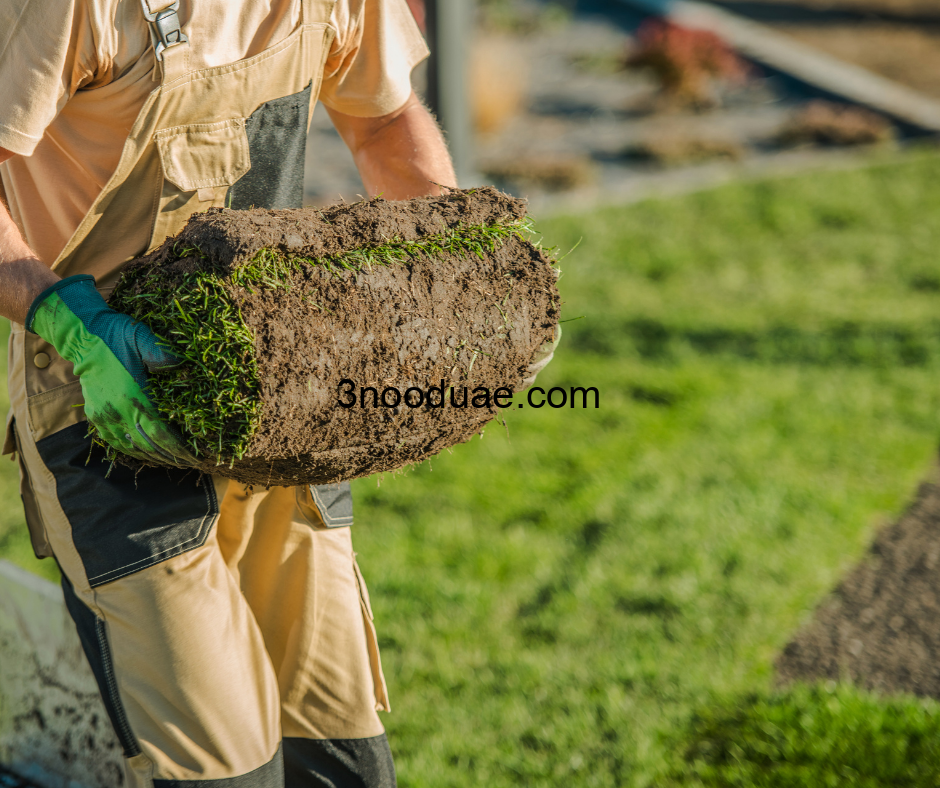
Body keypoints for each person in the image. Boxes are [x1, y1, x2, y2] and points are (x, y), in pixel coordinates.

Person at [0, 1, 457, 786]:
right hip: (109, 417)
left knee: (338, 756)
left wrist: (462, 279)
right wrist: (73, 324)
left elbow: (382, 121)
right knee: (223, 769)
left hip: (278, 399)